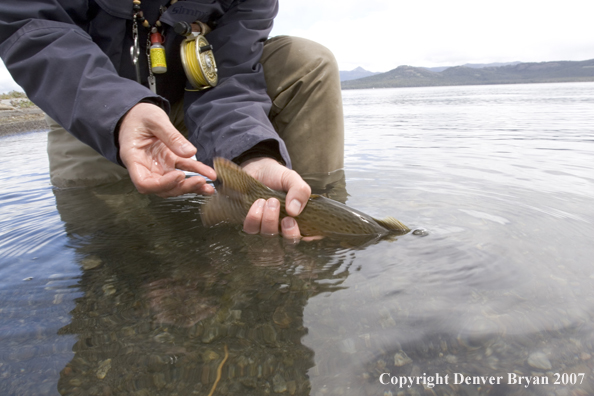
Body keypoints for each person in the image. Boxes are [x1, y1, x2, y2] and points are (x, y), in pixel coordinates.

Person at [0, 0, 344, 239]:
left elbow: (233, 75)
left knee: (308, 61)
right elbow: (32, 26)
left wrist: (251, 155)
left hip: (201, 97)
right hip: (90, 99)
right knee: (108, 245)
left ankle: (313, 214)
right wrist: (118, 113)